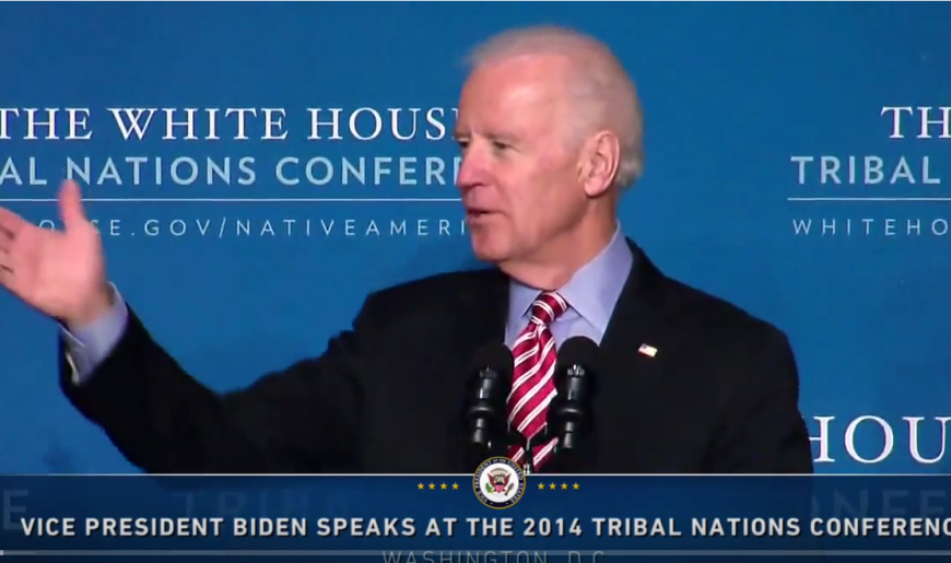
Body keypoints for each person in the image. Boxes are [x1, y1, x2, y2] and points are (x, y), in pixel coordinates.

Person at [0, 26, 813, 474]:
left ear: (594, 164)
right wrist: (93, 315)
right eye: (462, 144)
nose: (466, 173)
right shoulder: (401, 335)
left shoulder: (732, 362)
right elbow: (213, 449)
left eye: (502, 145)